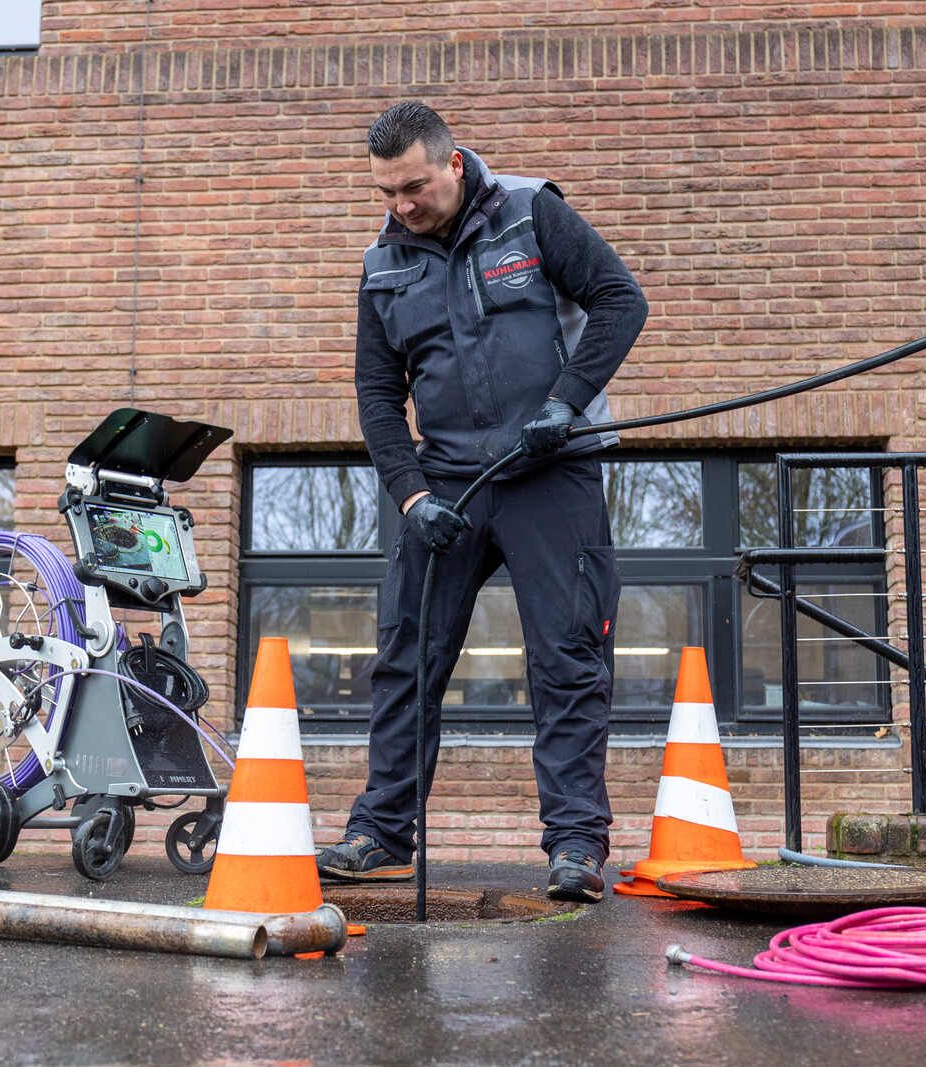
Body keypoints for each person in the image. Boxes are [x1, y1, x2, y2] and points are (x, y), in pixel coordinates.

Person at [315, 101, 648, 903]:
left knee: (567, 657)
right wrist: (410, 494)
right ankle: (384, 832)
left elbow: (619, 300)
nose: (402, 205)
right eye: (387, 192)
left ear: (454, 163)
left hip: (551, 469)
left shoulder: (535, 213)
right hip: (449, 484)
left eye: (415, 186)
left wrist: (567, 402)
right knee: (405, 656)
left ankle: (575, 846)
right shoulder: (382, 264)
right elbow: (374, 390)